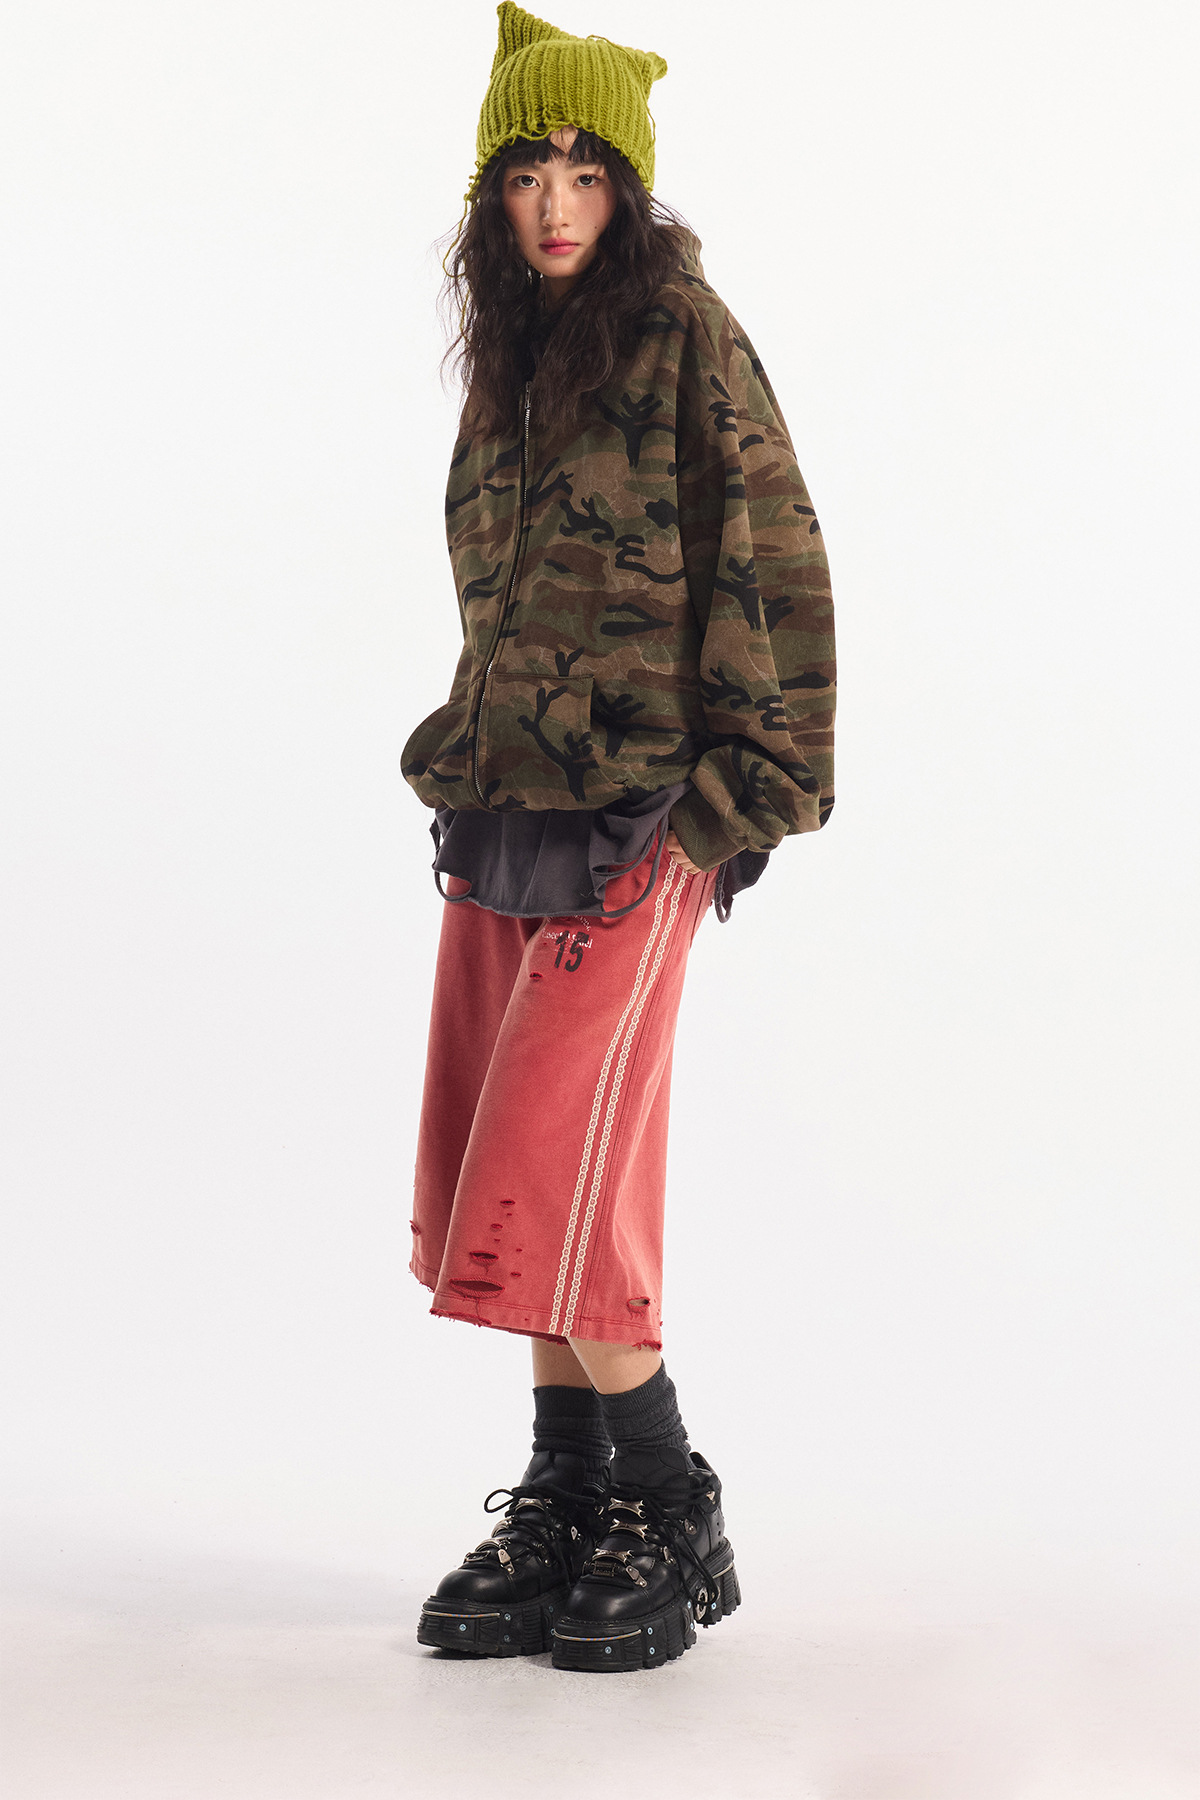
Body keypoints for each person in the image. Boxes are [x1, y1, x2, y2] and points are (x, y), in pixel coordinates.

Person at [404, 2, 835, 1672]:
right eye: (528, 174)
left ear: (631, 189)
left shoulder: (686, 336)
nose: (556, 205)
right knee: (499, 1172)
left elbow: (775, 553)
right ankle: (567, 1489)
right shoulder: (513, 359)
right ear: (491, 198)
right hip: (511, 800)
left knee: (554, 1153)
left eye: (586, 174)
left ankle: (668, 1497)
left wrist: (745, 795)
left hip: (649, 810)